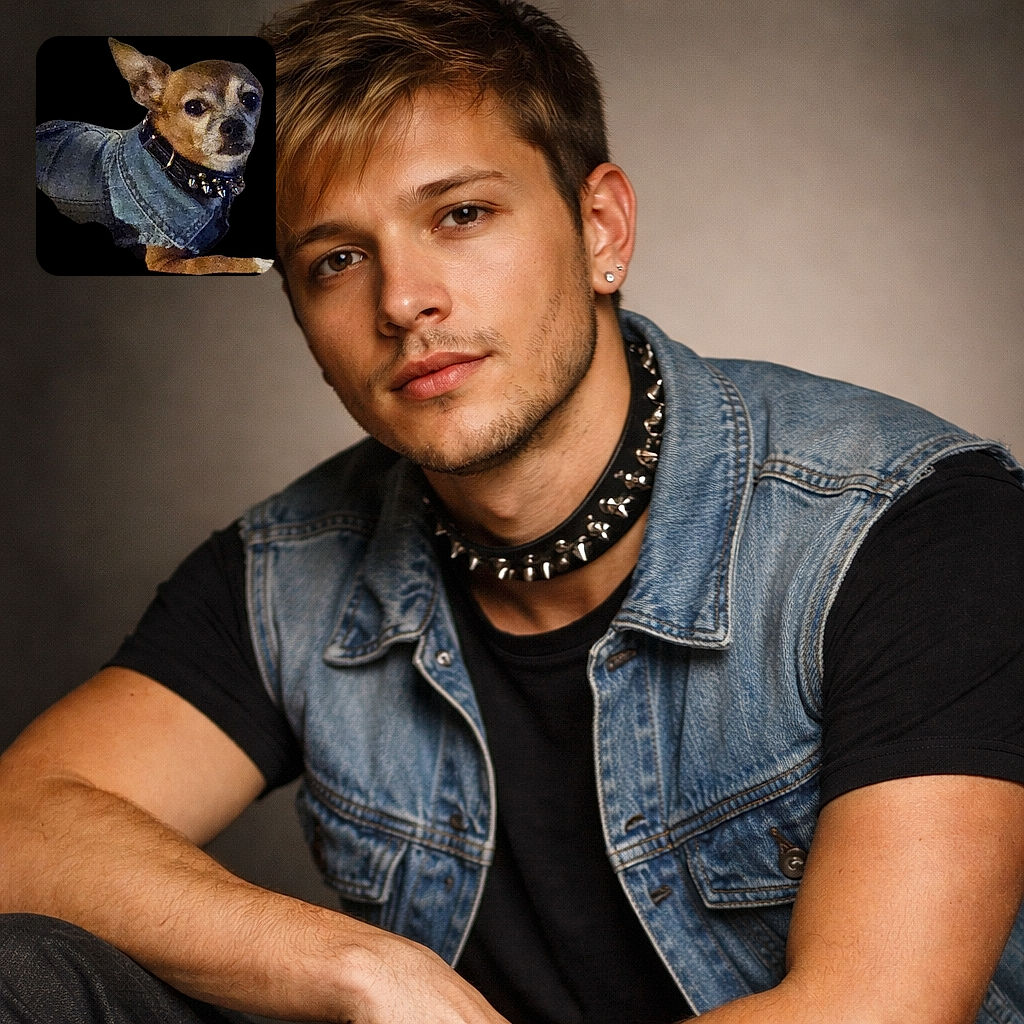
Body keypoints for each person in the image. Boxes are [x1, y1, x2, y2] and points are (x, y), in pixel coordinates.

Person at [2, 1, 1023, 1022]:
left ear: (601, 230)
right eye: (337, 260)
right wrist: (357, 968)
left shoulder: (907, 525)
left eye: (460, 215)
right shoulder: (288, 570)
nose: (402, 300)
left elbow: (876, 1007)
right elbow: (19, 822)